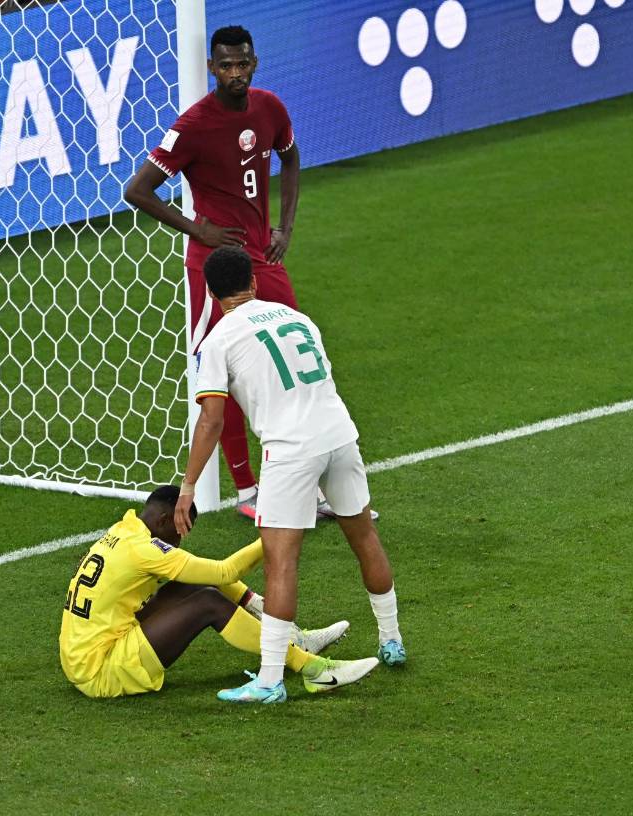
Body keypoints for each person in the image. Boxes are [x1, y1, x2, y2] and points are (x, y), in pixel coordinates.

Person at [174, 246, 406, 705]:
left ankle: (270, 679)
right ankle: (391, 640)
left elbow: (213, 421)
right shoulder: (296, 318)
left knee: (282, 561)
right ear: (254, 283)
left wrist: (188, 484)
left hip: (290, 450)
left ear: (213, 293)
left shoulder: (217, 341)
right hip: (339, 435)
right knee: (363, 538)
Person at [124, 25, 301, 521]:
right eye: (226, 65)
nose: (235, 73)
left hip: (262, 260)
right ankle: (247, 490)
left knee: (293, 356)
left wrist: (284, 228)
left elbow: (290, 157)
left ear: (255, 62)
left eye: (243, 63)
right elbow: (137, 190)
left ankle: (300, 475)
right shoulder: (193, 126)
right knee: (221, 378)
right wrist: (196, 228)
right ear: (211, 68)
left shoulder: (270, 108)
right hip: (214, 269)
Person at [59, 485, 378, 699]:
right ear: (163, 519)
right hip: (101, 670)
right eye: (180, 530)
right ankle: (311, 668)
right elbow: (227, 572)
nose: (180, 540)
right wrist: (277, 534)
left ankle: (290, 636)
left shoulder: (125, 529)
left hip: (85, 653)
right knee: (208, 602)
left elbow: (210, 574)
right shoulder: (146, 550)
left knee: (195, 582)